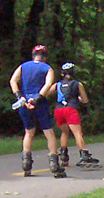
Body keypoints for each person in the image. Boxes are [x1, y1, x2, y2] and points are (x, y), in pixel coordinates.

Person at [9, 44, 66, 178]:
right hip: (39, 103)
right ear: (45, 57)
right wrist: (37, 98)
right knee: (49, 133)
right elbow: (48, 84)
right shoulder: (47, 68)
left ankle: (26, 163)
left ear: (33, 55)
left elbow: (13, 80)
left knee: (28, 132)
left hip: (23, 102)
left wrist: (20, 96)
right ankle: (54, 165)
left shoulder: (23, 66)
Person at [49, 62, 101, 168]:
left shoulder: (57, 84)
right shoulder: (77, 84)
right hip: (70, 109)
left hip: (58, 110)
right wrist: (79, 99)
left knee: (64, 132)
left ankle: (63, 156)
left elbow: (46, 93)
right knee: (77, 133)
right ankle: (84, 155)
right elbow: (85, 100)